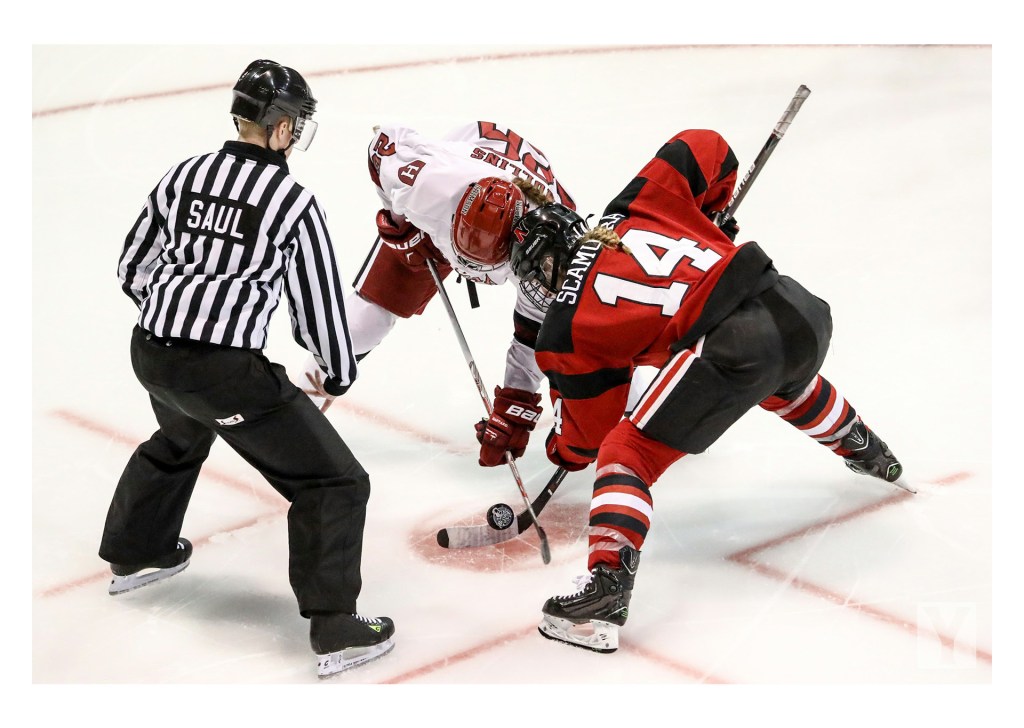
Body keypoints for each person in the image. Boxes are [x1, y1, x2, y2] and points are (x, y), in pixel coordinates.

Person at [504, 128, 905, 653]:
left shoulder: (563, 327)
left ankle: (605, 591)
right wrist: (709, 214)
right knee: (779, 379)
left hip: (735, 344)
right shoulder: (633, 204)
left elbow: (589, 437)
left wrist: (561, 449)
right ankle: (868, 449)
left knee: (628, 453)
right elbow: (704, 144)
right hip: (798, 309)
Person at [99, 59, 395, 678]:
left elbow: (132, 267)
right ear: (283, 128)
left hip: (150, 352)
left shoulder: (183, 175)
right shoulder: (290, 201)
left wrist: (177, 321)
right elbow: (316, 308)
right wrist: (338, 372)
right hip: (224, 371)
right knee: (334, 482)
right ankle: (337, 628)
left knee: (182, 430)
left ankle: (139, 551)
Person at [303, 121, 574, 467]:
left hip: (512, 216)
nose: (461, 265)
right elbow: (383, 144)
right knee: (357, 329)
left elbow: (531, 335)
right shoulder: (431, 185)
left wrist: (515, 403)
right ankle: (294, 411)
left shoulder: (545, 249)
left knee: (569, 336)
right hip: (446, 205)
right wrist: (400, 222)